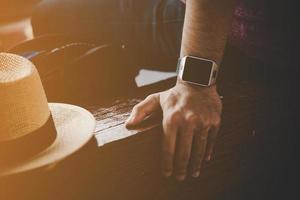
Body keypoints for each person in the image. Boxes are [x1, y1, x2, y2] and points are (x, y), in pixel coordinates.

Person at [32, 0, 298, 198]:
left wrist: (193, 85)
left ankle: (116, 62)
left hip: (245, 35)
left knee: (50, 13)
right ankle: (116, 60)